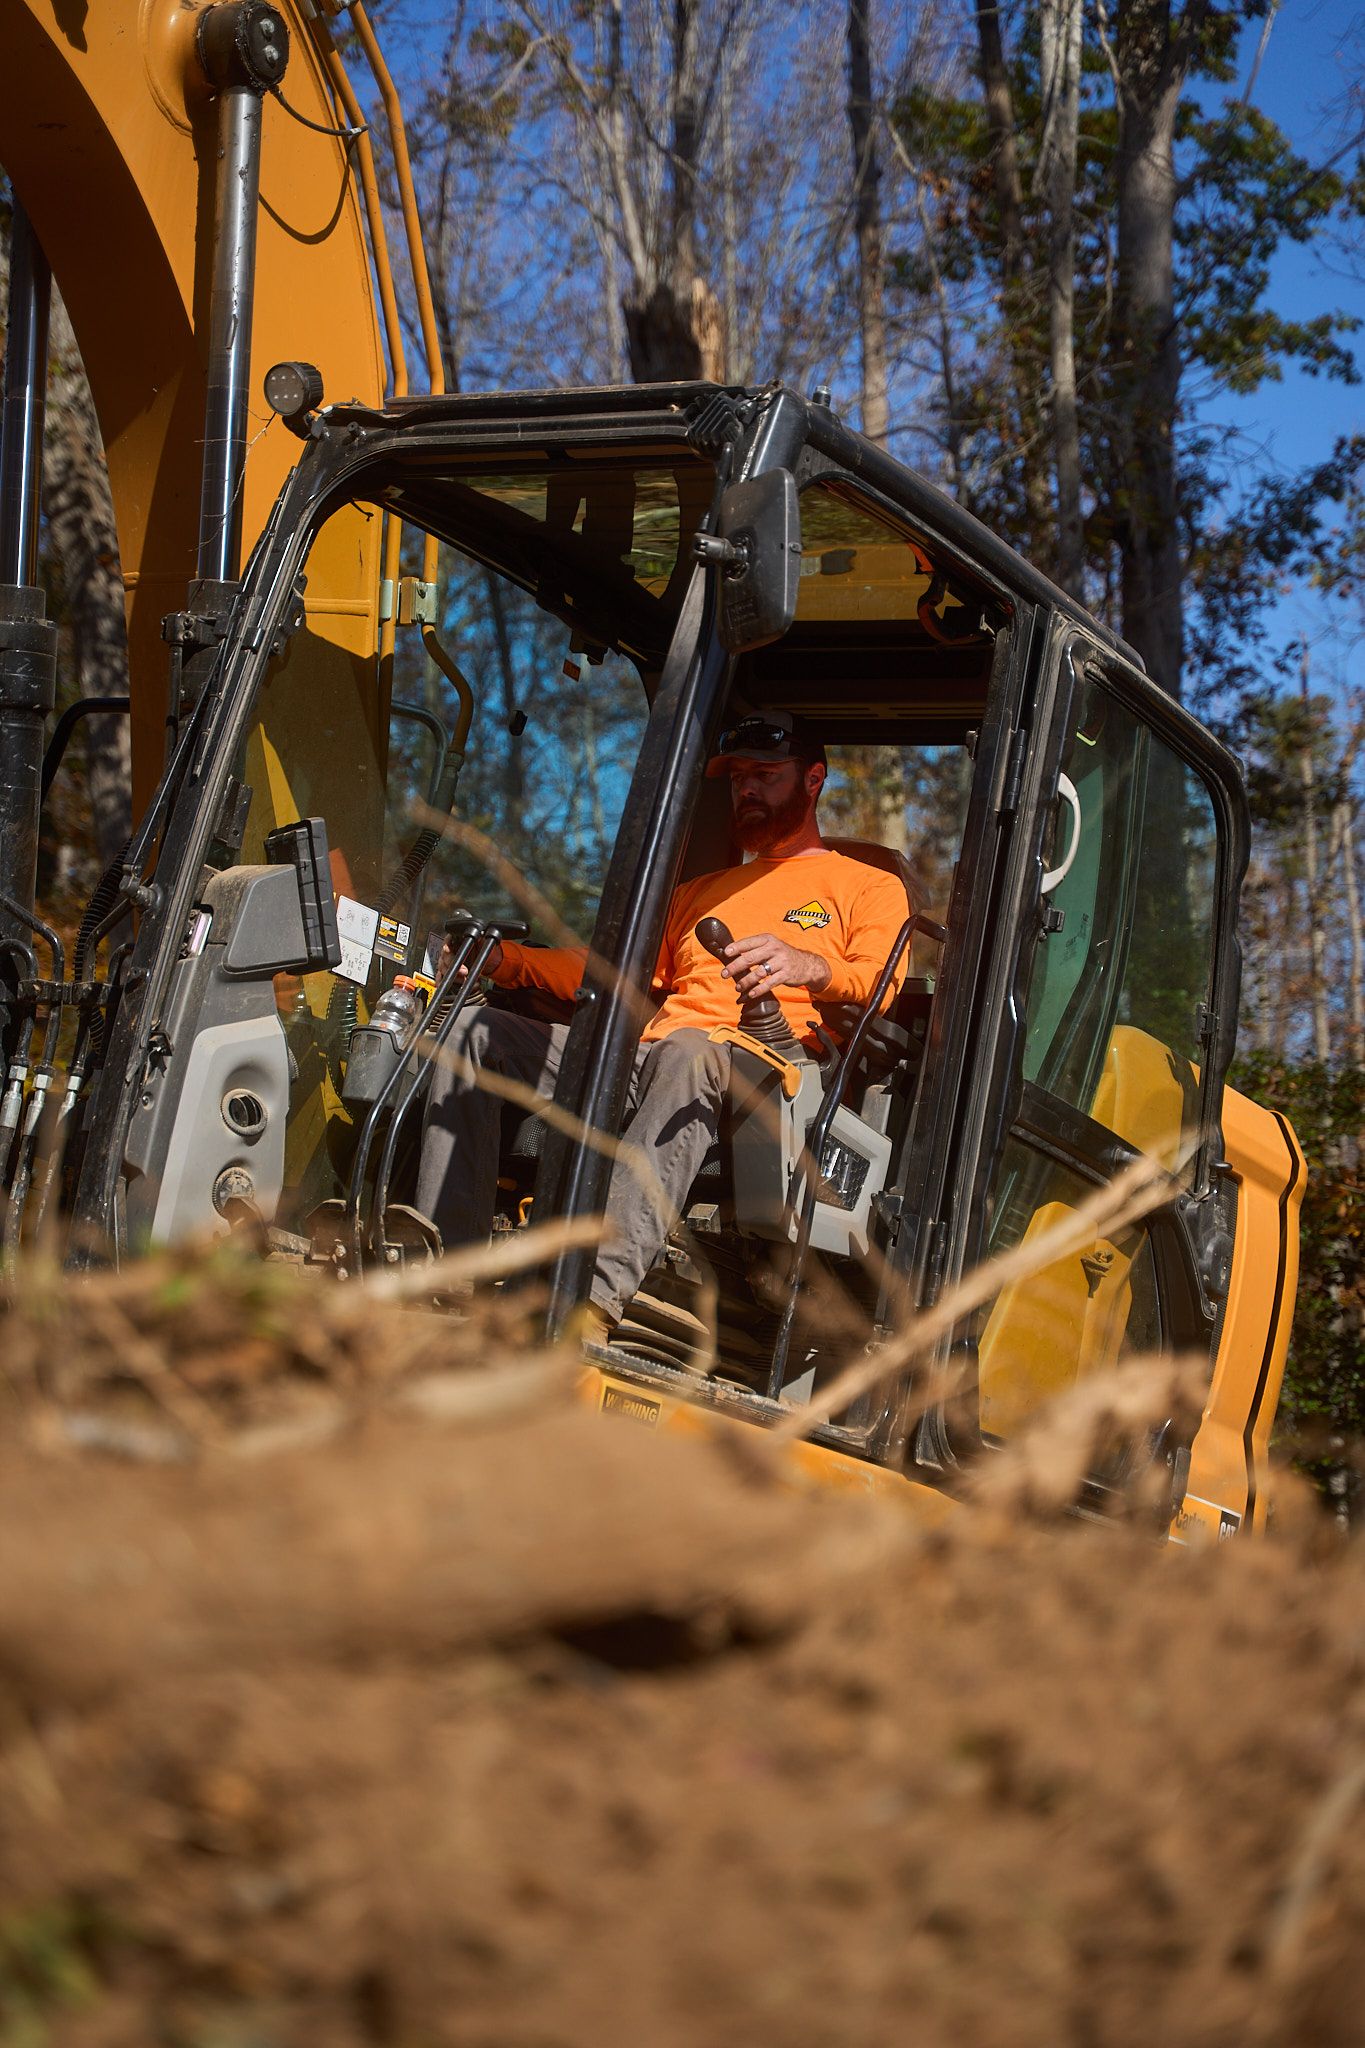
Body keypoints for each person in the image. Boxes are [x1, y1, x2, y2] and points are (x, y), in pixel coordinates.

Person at [415, 712, 909, 1334]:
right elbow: (610, 974)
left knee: (689, 1049)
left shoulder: (867, 885)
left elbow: (880, 984)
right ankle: (447, 1271)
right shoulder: (699, 891)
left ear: (813, 780)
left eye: (766, 775)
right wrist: (506, 961)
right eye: (737, 780)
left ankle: (590, 1302)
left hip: (767, 1079)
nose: (747, 790)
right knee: (474, 1034)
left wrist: (806, 963)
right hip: (650, 1056)